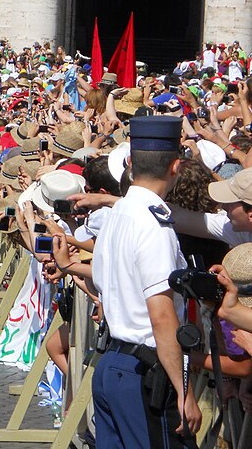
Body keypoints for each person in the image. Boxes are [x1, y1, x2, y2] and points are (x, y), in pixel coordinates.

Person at [90, 116, 201, 447]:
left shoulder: (117, 215)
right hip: (144, 372)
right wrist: (184, 390)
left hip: (112, 362)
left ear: (129, 163)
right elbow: (161, 315)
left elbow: (100, 283)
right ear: (176, 166)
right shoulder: (154, 225)